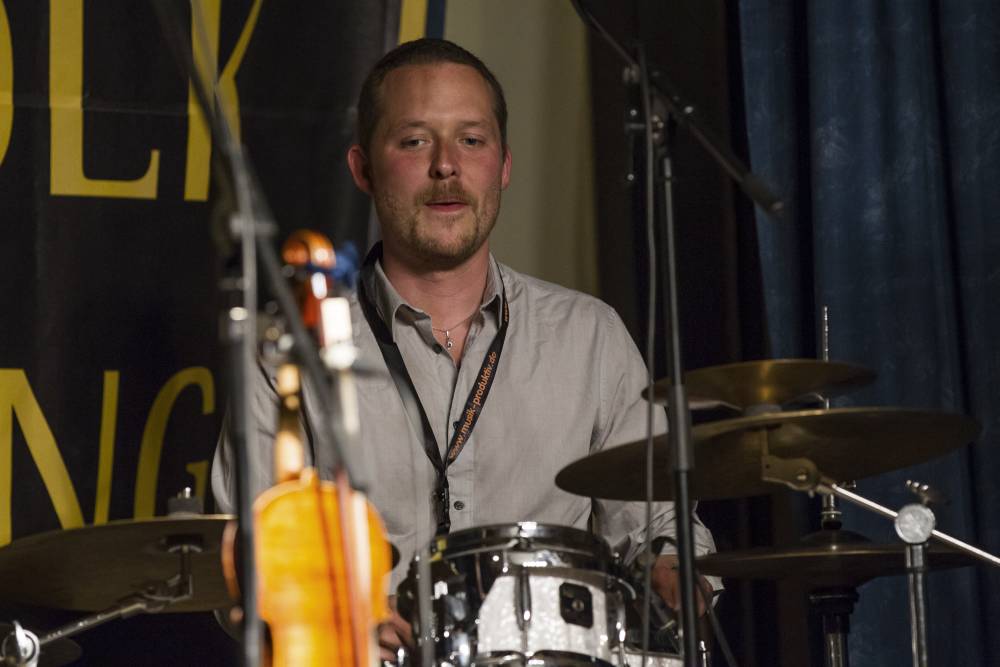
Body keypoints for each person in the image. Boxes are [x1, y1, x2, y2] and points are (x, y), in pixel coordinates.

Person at [211, 38, 716, 660]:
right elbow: (245, 560)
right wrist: (335, 620)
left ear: (503, 165)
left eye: (472, 140)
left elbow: (660, 528)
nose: (446, 166)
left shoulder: (591, 337)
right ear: (363, 169)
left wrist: (671, 565)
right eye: (414, 141)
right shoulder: (291, 353)